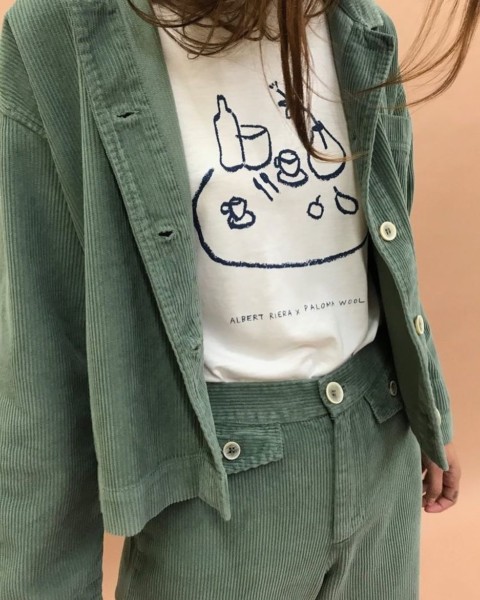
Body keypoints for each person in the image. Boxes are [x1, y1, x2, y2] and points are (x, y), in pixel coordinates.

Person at [0, 0, 470, 598]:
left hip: (382, 441)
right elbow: (41, 355)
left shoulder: (357, 23)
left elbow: (387, 242)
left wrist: (429, 406)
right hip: (219, 489)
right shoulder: (57, 33)